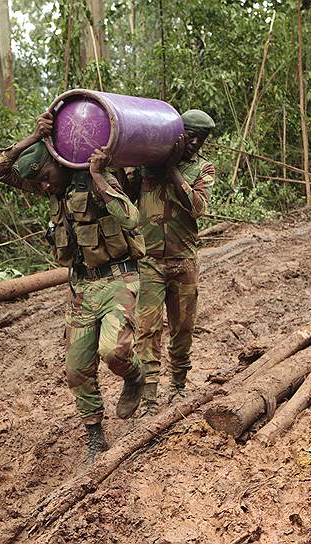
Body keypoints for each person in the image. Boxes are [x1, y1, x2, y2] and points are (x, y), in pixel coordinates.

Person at [0, 112, 147, 464]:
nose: (43, 187)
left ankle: (135, 375)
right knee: (76, 369)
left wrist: (99, 177)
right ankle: (95, 436)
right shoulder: (50, 186)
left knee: (114, 353)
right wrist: (33, 137)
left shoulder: (95, 176)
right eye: (40, 182)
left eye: (45, 178)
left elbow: (131, 218)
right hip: (81, 288)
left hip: (119, 278)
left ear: (57, 165)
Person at [122, 109, 216, 416]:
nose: (194, 143)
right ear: (176, 132)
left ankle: (178, 386)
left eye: (200, 139)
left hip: (184, 261)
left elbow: (197, 207)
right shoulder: (149, 165)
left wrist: (173, 168)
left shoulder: (203, 168)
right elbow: (126, 193)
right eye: (189, 136)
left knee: (182, 328)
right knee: (147, 330)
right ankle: (149, 397)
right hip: (149, 260)